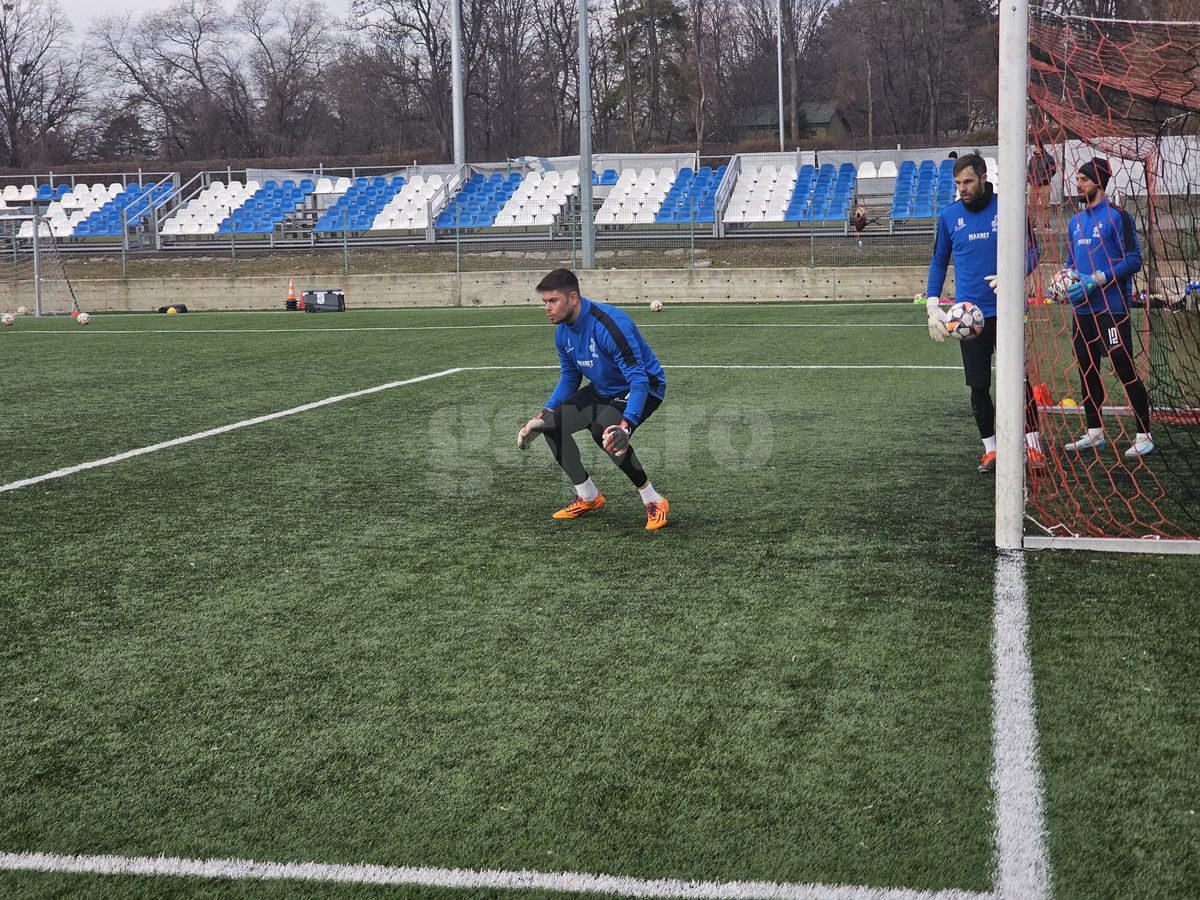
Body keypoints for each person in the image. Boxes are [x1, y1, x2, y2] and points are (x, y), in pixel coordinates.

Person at [518, 268, 670, 529]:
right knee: (552, 426)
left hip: (645, 386)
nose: (547, 308)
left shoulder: (609, 324)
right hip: (605, 387)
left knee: (605, 430)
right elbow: (569, 377)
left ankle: (653, 499)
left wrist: (627, 426)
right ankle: (588, 496)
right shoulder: (562, 332)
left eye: (553, 301)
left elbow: (639, 379)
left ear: (573, 298)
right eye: (544, 302)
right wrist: (544, 413)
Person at [925, 153, 1045, 474]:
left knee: (1018, 380)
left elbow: (1034, 249)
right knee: (978, 386)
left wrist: (1013, 274)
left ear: (982, 177)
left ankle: (1033, 447)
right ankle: (991, 450)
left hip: (1006, 312)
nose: (962, 188)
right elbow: (939, 261)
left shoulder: (1007, 208)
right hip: (968, 317)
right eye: (957, 183)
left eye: (967, 181)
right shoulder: (950, 216)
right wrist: (932, 305)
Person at [1062, 157, 1154, 458]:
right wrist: (1063, 282)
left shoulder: (1119, 217)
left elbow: (1134, 260)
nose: (1078, 184)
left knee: (1122, 365)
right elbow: (1071, 265)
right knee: (1086, 368)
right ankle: (1094, 432)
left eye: (1083, 179)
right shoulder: (1074, 222)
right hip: (1082, 310)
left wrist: (1100, 278)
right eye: (1077, 179)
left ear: (1098, 182)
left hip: (1112, 309)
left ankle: (1144, 433)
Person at [1027, 144, 1058, 232]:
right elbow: (1029, 170)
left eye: (1038, 147)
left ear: (1042, 148)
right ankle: (1033, 224)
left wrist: (1045, 178)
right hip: (1034, 186)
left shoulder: (1049, 158)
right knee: (1032, 205)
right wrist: (1030, 180)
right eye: (1036, 147)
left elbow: (1053, 170)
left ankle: (1046, 223)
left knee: (1045, 205)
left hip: (1045, 185)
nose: (1037, 149)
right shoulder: (1032, 159)